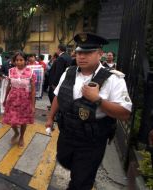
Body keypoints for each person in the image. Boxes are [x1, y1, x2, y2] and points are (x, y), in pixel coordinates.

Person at [45, 33, 132, 190]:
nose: (81, 56)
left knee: (81, 182)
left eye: (88, 52)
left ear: (100, 54)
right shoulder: (69, 72)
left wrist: (97, 100)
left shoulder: (113, 79)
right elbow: (59, 96)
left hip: (91, 141)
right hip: (67, 134)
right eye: (79, 52)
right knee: (65, 161)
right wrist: (50, 118)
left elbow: (125, 113)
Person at [2, 51, 36, 148]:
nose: (19, 62)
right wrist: (5, 99)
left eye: (21, 60)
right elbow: (9, 85)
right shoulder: (11, 71)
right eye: (17, 60)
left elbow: (33, 91)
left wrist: (33, 106)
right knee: (12, 120)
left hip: (25, 100)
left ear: (25, 61)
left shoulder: (31, 72)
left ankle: (21, 137)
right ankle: (16, 133)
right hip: (12, 99)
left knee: (23, 120)